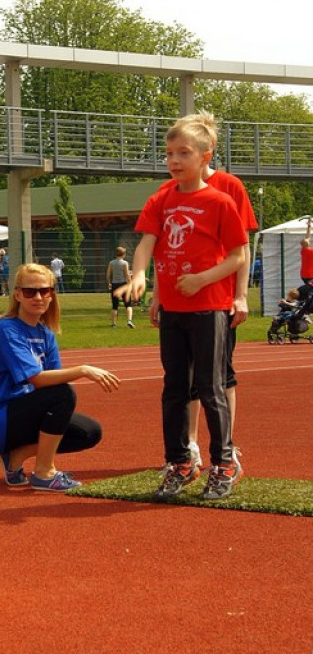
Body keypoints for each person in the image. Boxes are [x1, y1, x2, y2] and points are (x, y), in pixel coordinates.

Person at [130, 114, 247, 501]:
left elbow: (238, 255)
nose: (175, 160)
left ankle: (224, 463)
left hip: (209, 308)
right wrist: (141, 276)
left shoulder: (219, 200)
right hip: (174, 311)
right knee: (174, 389)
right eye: (169, 154)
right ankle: (179, 463)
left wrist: (202, 279)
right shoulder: (160, 199)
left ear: (204, 157)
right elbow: (147, 242)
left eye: (184, 153)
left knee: (211, 388)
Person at [0, 262, 120, 492]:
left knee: (89, 432)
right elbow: (38, 379)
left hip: (19, 415)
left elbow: (52, 381)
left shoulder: (46, 333)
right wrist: (83, 370)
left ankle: (14, 458)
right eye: (30, 291)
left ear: (52, 295)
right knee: (62, 395)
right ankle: (44, 473)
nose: (38, 297)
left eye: (45, 291)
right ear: (18, 295)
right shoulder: (7, 329)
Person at [106, 246, 134, 328]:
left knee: (115, 306)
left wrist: (109, 283)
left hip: (115, 284)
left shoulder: (111, 263)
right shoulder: (125, 263)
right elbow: (126, 275)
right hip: (123, 284)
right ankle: (129, 320)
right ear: (124, 254)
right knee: (128, 304)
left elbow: (108, 274)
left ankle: (114, 324)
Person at [300, 217, 313, 284]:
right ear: (307, 243)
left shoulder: (303, 250)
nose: (309, 240)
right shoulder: (310, 252)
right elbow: (307, 238)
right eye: (308, 241)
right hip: (309, 275)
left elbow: (307, 237)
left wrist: (309, 226)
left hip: (304, 274)